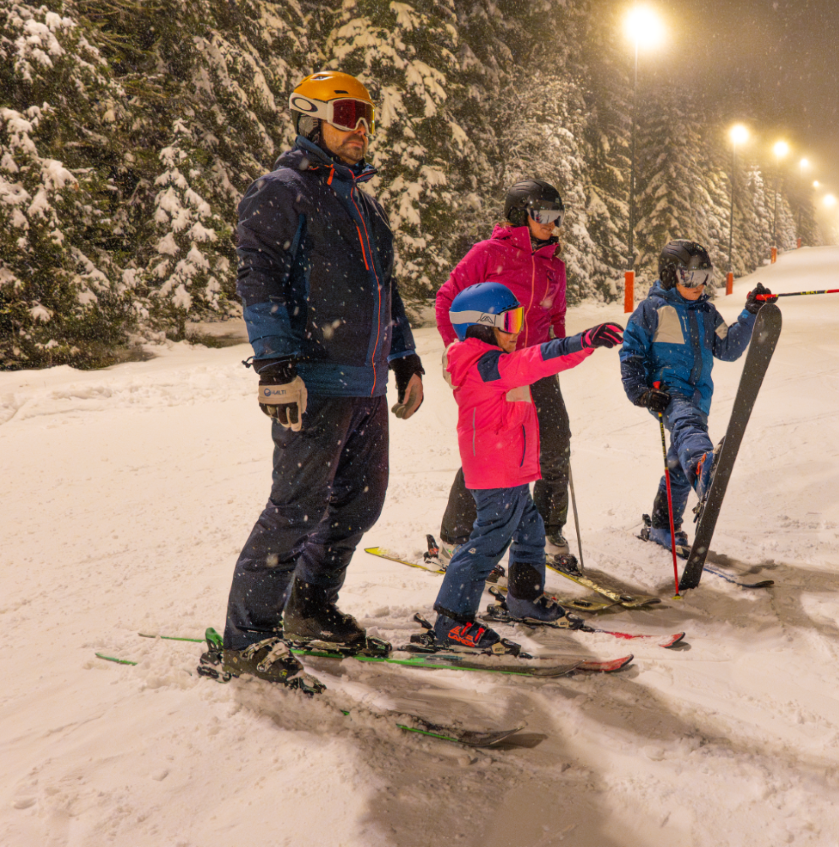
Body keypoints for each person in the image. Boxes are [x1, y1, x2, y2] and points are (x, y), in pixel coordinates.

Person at [211, 71, 425, 692]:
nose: (361, 129)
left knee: (361, 502)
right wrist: (275, 365)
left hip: (365, 382)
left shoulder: (364, 201)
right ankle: (248, 638)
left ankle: (307, 607)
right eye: (347, 114)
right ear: (310, 119)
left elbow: (386, 290)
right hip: (314, 379)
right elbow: (258, 277)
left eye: (367, 116)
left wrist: (404, 356)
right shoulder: (282, 190)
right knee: (295, 509)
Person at [416, 282, 623, 653]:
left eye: (518, 319)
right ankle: (452, 620)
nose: (516, 330)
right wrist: (583, 341)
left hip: (510, 470)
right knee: (487, 543)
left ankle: (524, 599)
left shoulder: (493, 362)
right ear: (481, 325)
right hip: (497, 473)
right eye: (508, 321)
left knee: (530, 530)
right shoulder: (487, 366)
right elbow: (540, 358)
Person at [432, 180, 580, 569]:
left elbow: (556, 316)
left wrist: (559, 351)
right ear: (520, 215)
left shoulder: (554, 265)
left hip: (537, 364)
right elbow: (448, 298)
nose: (552, 224)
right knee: (491, 453)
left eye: (556, 216)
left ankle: (547, 530)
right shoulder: (487, 254)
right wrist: (457, 350)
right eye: (543, 215)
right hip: (495, 368)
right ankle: (455, 538)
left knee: (555, 443)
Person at [619, 240, 775, 548]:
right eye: (690, 277)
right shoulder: (652, 310)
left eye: (704, 277)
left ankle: (664, 526)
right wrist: (642, 393)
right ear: (669, 276)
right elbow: (631, 355)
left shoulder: (707, 312)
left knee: (678, 464)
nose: (698, 285)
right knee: (688, 429)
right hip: (667, 395)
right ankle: (703, 468)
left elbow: (727, 348)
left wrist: (749, 314)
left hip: (699, 398)